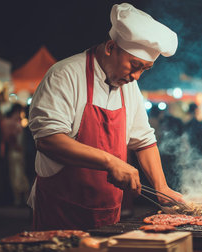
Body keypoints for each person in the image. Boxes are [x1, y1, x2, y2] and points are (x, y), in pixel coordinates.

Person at [28, 3, 183, 230]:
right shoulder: (65, 75)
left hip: (108, 213)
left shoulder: (128, 87)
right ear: (111, 47)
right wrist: (110, 162)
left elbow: (144, 141)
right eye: (134, 65)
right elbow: (48, 139)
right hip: (61, 210)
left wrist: (162, 188)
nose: (136, 76)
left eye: (145, 69)